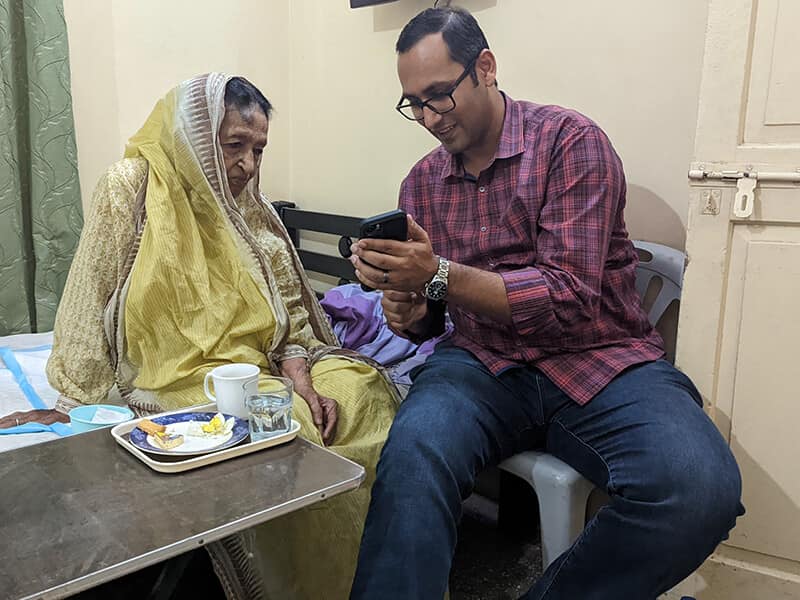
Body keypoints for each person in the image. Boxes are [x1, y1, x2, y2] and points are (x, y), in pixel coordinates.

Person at [348, 7, 744, 599]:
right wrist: (410, 311)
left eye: (439, 96)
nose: (428, 118)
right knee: (411, 458)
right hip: (481, 361)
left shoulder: (570, 143)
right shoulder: (422, 184)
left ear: (485, 67)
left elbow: (569, 297)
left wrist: (439, 275)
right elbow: (432, 312)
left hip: (600, 356)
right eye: (414, 103)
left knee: (698, 490)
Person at [0, 73, 398, 599]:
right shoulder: (132, 187)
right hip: (179, 377)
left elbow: (290, 309)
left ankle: (377, 576)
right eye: (234, 145)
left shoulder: (253, 210)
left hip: (264, 364)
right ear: (194, 136)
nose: (249, 165)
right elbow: (90, 293)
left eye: (258, 149)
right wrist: (74, 400)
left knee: (360, 393)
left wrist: (301, 368)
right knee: (279, 430)